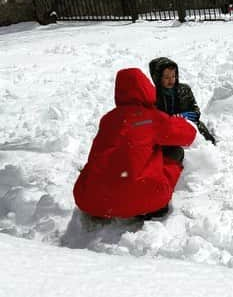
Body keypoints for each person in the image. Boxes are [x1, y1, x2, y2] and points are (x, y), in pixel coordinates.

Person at [73, 68, 197, 219]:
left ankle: (107, 199)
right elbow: (188, 135)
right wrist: (174, 120)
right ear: (146, 89)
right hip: (143, 198)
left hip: (91, 200)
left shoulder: (108, 119)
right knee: (175, 152)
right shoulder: (153, 118)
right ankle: (149, 204)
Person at [148, 57, 216, 145]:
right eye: (166, 77)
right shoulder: (152, 95)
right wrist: (172, 119)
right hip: (167, 133)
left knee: (206, 142)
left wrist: (185, 116)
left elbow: (196, 112)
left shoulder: (184, 89)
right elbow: (154, 120)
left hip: (188, 126)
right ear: (157, 78)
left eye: (173, 76)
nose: (171, 80)